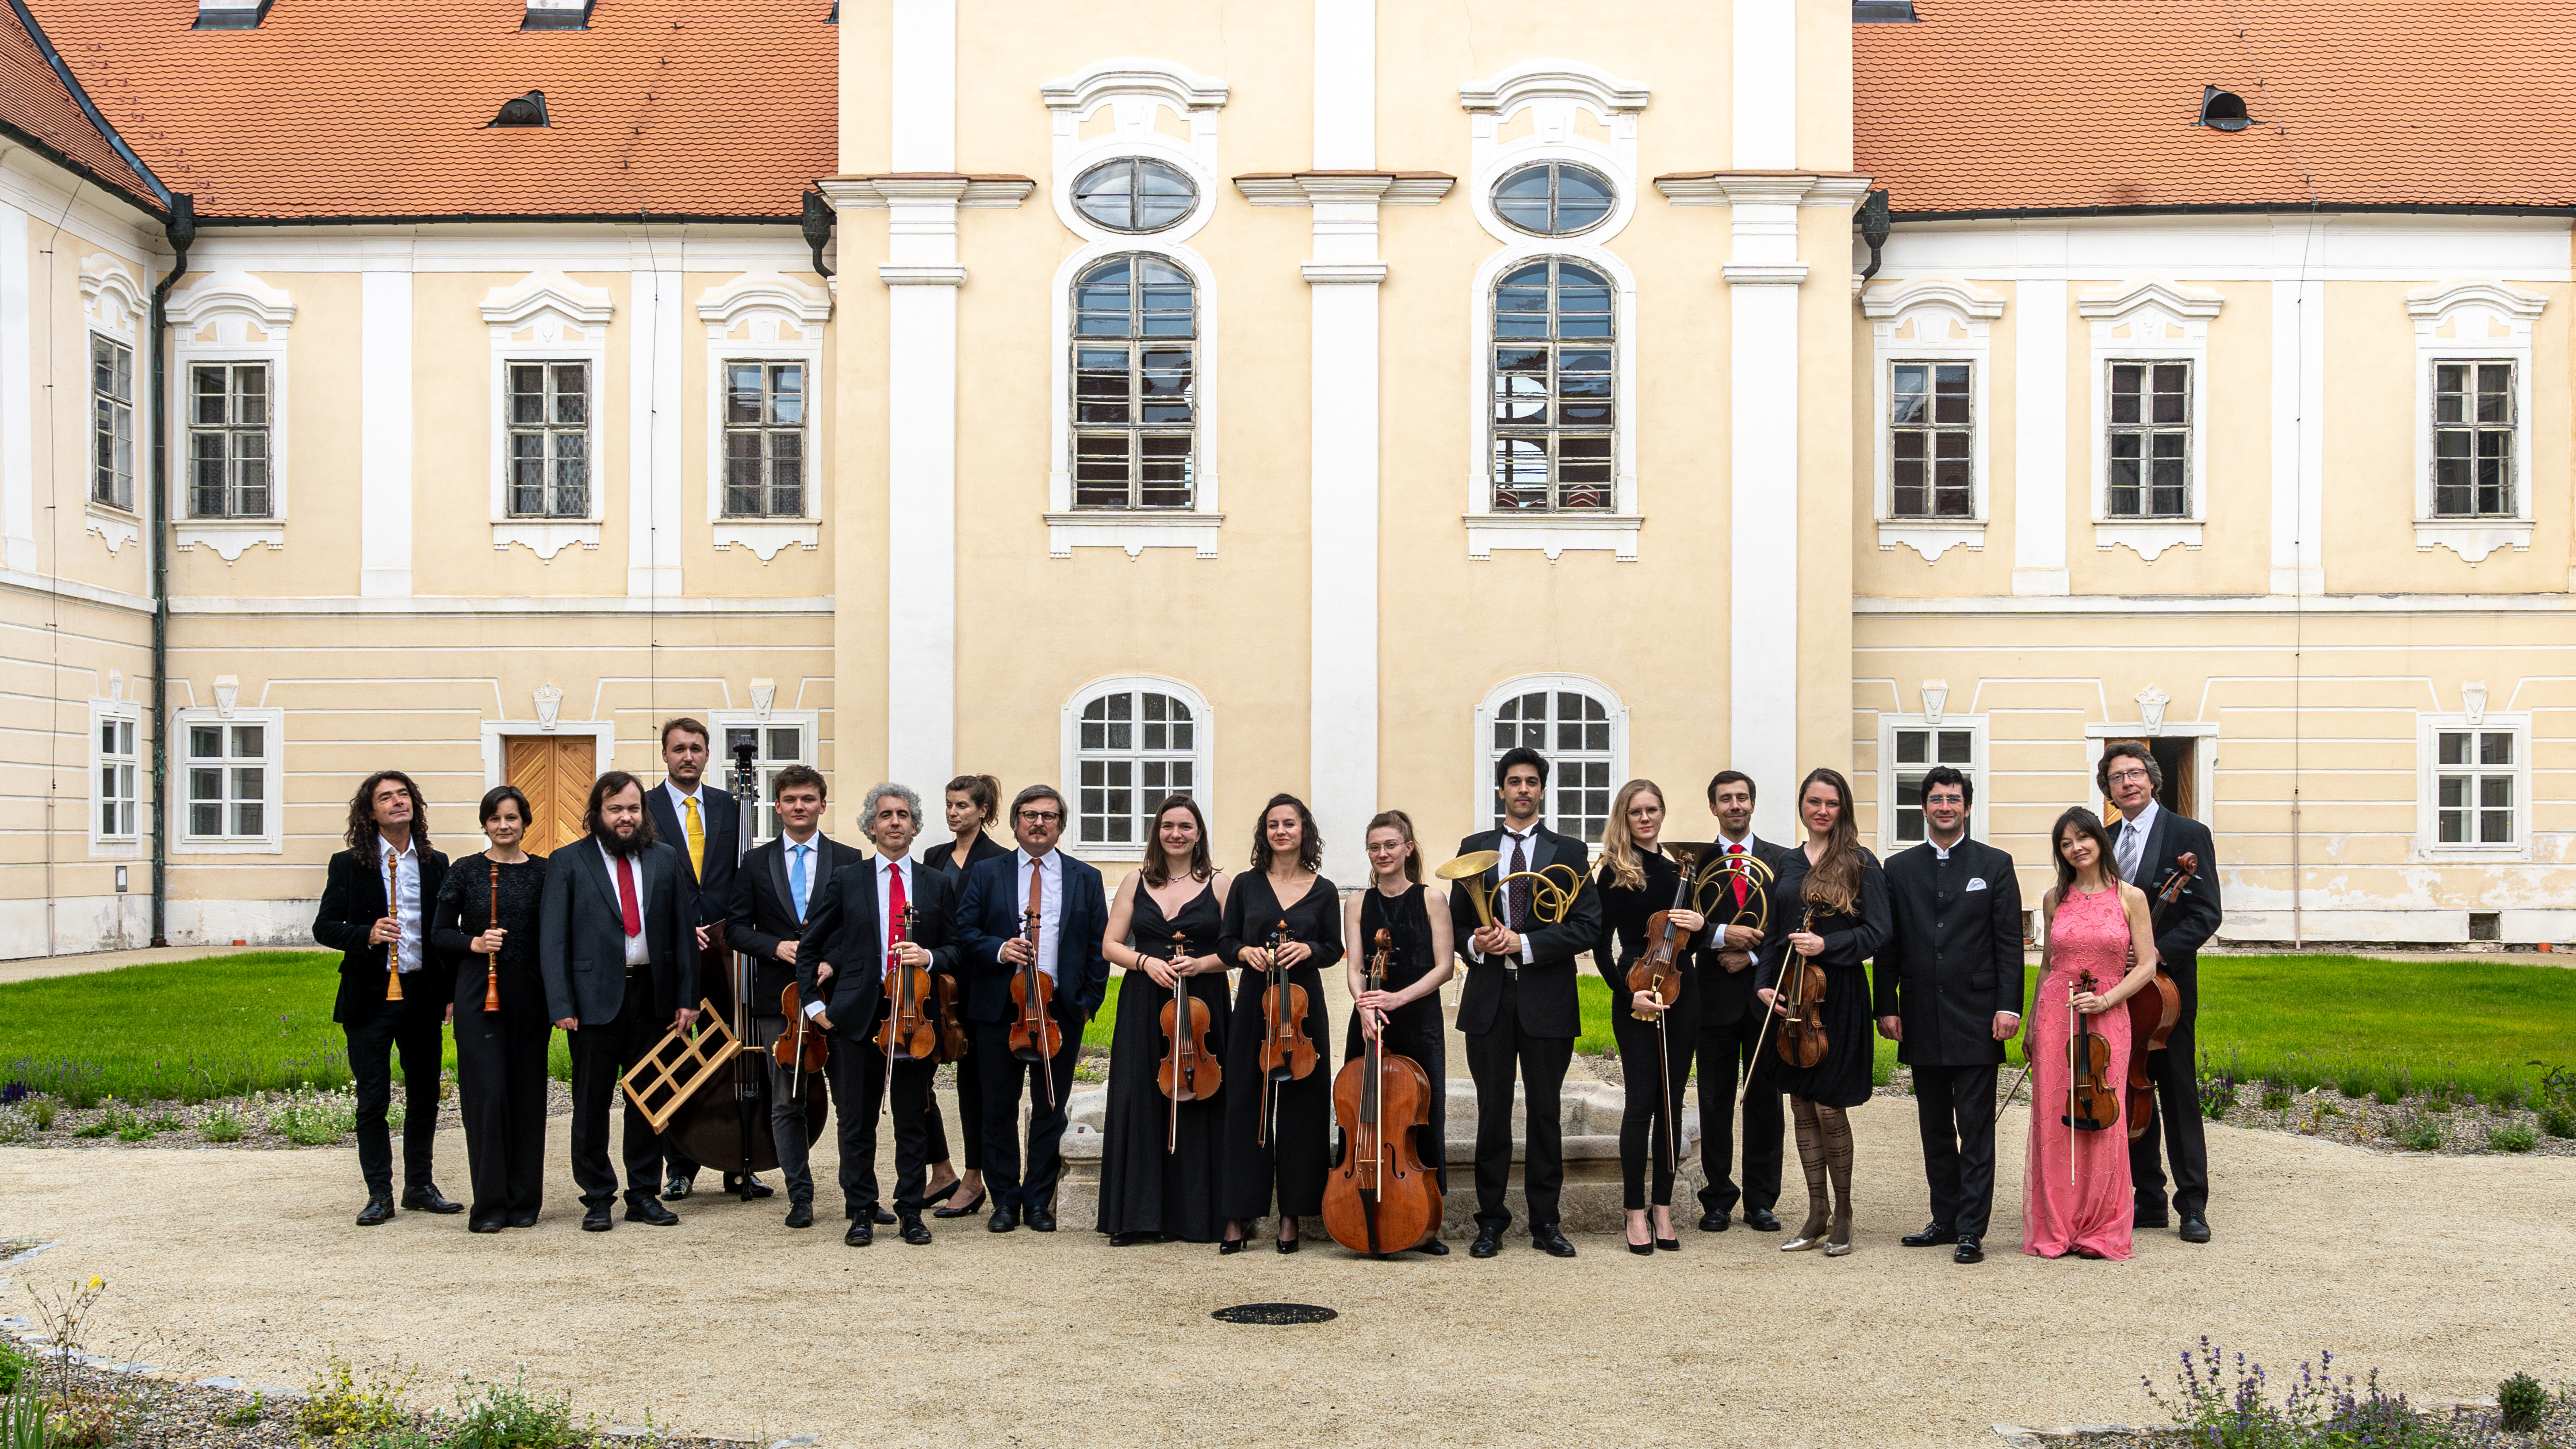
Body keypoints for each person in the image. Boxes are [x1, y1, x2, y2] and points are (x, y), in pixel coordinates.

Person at [1446, 747, 1604, 1260]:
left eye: (1530, 782)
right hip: (1489, 995)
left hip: (1546, 996)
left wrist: (1524, 944)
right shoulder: (1474, 848)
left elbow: (1586, 926)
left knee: (1544, 1113)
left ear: (1541, 789)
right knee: (1492, 1113)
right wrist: (1478, 945)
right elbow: (1456, 926)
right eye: (1513, 781)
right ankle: (1490, 1222)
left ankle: (1546, 1221)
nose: (1521, 789)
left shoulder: (1570, 850)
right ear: (1500, 789)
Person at [1872, 764, 2023, 1265]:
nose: (1944, 807)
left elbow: (2007, 943)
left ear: (1966, 806)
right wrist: (1887, 1006)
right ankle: (1944, 1217)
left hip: (1978, 1015)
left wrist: (2008, 1006)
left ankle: (1971, 1229)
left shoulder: (1995, 864)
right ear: (1923, 807)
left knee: (1975, 1126)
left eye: (1952, 799)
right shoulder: (1898, 869)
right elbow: (1888, 946)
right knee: (1933, 1125)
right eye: (1936, 799)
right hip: (1918, 1013)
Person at [799, 782, 960, 1246]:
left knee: (911, 1116)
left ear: (914, 826)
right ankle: (861, 1209)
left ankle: (911, 1209)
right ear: (871, 826)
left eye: (903, 815)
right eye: (885, 815)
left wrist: (927, 957)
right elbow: (810, 945)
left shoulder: (936, 883)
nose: (894, 822)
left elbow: (956, 948)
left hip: (916, 1020)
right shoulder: (849, 878)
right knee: (856, 1118)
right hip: (856, 1015)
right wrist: (814, 1005)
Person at [539, 771, 700, 1232]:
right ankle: (596, 1196)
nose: (625, 817)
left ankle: (643, 1193)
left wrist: (687, 997)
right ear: (598, 814)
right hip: (592, 1002)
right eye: (615, 809)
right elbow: (553, 940)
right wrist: (561, 1002)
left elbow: (682, 935)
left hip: (653, 997)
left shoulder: (665, 858)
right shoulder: (568, 861)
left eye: (633, 808)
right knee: (590, 1103)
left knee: (649, 1099)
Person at [956, 785, 1111, 1234]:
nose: (1038, 823)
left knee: (1049, 1106)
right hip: (999, 1009)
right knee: (997, 1109)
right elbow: (964, 931)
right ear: (1015, 822)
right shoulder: (988, 872)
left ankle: (1038, 1200)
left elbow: (1098, 947)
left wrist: (1087, 1003)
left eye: (1048, 815)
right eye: (1029, 815)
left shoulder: (1084, 876)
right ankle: (1004, 1201)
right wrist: (998, 948)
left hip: (1059, 1010)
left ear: (1061, 824)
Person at [1754, 767, 1890, 1257]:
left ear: (1842, 808)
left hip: (1841, 993)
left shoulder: (1860, 861)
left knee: (1830, 1104)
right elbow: (1774, 933)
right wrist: (1764, 983)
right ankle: (1815, 1210)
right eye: (1813, 801)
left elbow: (1878, 932)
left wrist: (1825, 944)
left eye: (1830, 803)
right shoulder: (1787, 862)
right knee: (1800, 1103)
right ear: (1802, 805)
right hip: (1794, 994)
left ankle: (1845, 1210)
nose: (1821, 810)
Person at [312, 770, 458, 1226]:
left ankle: (419, 1184)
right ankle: (379, 1193)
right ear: (370, 811)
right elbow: (324, 926)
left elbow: (443, 934)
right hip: (370, 998)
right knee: (373, 1099)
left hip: (421, 994)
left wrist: (450, 993)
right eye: (386, 797)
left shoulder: (436, 862)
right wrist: (366, 934)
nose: (398, 802)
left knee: (424, 1095)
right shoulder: (348, 862)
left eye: (403, 795)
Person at [2024, 807, 2164, 1261]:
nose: (2075, 847)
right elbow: (2047, 963)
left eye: (2082, 837)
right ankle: (2057, 1225)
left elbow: (2146, 965)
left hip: (2107, 1011)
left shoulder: (2130, 897)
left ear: (2099, 841)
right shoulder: (2053, 897)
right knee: (2053, 1117)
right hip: (2055, 1013)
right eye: (2065, 843)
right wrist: (2031, 1021)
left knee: (2104, 1117)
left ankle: (2101, 1226)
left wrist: (2106, 1000)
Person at [724, 764, 860, 1229]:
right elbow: (736, 927)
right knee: (786, 1101)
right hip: (776, 998)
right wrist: (774, 945)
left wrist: (833, 961)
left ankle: (856, 1197)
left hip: (836, 995)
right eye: (791, 799)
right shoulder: (755, 863)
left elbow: (860, 926)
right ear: (777, 806)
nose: (799, 806)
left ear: (823, 804)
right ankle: (799, 1196)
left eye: (808, 798)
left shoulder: (849, 858)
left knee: (849, 1101)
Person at [1096, 794, 1234, 1246]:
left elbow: (1237, 949)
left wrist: (1202, 965)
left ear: (1199, 834)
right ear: (1158, 831)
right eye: (1168, 825)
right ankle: (1137, 1215)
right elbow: (1110, 944)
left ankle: (1196, 1217)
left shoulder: (1219, 883)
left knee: (1201, 1098)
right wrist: (1142, 962)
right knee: (1140, 1095)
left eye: (1186, 826)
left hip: (1202, 1000)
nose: (1176, 833)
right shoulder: (1136, 881)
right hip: (1143, 1000)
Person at [2100, 742, 2222, 1245]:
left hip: (2166, 986)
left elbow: (2204, 912)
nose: (2126, 782)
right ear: (2107, 789)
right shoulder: (2102, 839)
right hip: (2114, 987)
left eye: (2134, 773)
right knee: (2130, 1086)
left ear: (2152, 780)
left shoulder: (2187, 834)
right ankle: (2146, 1197)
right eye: (2116, 777)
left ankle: (2191, 1203)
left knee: (2175, 1089)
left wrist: (2152, 955)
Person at [1219, 794, 1345, 1255]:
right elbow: (1226, 938)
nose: (1280, 831)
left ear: (1304, 830)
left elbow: (1333, 947)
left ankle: (1291, 1214)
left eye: (1289, 823)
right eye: (1272, 824)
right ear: (1264, 832)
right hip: (1256, 1000)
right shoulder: (1246, 885)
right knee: (1246, 1103)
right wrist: (1242, 953)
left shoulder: (1324, 888)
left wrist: (1309, 950)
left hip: (1302, 1005)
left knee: (1302, 1106)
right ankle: (1239, 1211)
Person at [1590, 781, 1709, 1256]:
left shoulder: (1678, 870)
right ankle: (1634, 1209)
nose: (1646, 818)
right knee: (1640, 1100)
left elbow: (1689, 944)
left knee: (1673, 1100)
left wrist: (1700, 926)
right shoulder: (1614, 874)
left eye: (1653, 809)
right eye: (1637, 811)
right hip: (1636, 985)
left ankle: (1663, 1205)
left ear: (1662, 812)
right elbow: (1599, 947)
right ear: (1625, 815)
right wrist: (1627, 994)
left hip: (1682, 988)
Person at [429, 786, 551, 1233]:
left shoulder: (544, 872)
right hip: (479, 990)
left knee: (526, 1095)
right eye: (496, 817)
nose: (504, 825)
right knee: (488, 1095)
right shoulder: (465, 871)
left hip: (530, 992)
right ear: (485, 823)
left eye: (513, 817)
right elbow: (439, 933)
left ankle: (524, 1202)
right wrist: (475, 943)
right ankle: (490, 1203)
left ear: (525, 822)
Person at [643, 716, 755, 1201]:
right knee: (678, 1050)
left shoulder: (731, 807)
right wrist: (677, 927)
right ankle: (680, 1163)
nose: (687, 756)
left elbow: (741, 874)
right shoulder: (642, 808)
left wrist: (727, 925)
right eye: (678, 749)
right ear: (665, 755)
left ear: (707, 755)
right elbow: (639, 881)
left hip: (725, 948)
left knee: (730, 1046)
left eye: (695, 748)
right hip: (671, 947)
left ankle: (737, 1159)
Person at [1340, 809, 1455, 1256]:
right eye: (1374, 847)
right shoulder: (1355, 903)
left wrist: (1396, 998)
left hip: (1416, 1016)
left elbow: (1443, 967)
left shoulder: (1431, 899)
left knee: (1422, 1116)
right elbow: (1353, 967)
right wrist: (1364, 1003)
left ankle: (1425, 1217)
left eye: (1390, 845)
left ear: (1408, 847)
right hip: (1370, 1018)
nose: (1382, 853)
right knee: (1363, 1113)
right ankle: (1358, 1203)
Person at [1693, 770, 1797, 1234]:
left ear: (1753, 803)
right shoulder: (1693, 861)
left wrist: (1752, 954)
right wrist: (1719, 939)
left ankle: (1760, 1199)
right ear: (1712, 807)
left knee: (1763, 1100)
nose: (1734, 805)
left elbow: (1789, 926)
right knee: (1713, 1100)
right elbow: (1679, 927)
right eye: (1725, 799)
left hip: (1763, 994)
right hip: (1710, 996)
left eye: (1742, 798)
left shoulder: (1782, 859)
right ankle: (1716, 1198)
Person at [917, 773, 1010, 1220]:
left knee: (975, 1087)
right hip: (934, 981)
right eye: (950, 804)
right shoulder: (934, 855)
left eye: (963, 806)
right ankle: (942, 1169)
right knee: (918, 1079)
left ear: (984, 811)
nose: (954, 813)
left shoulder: (999, 860)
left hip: (977, 985)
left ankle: (974, 1179)